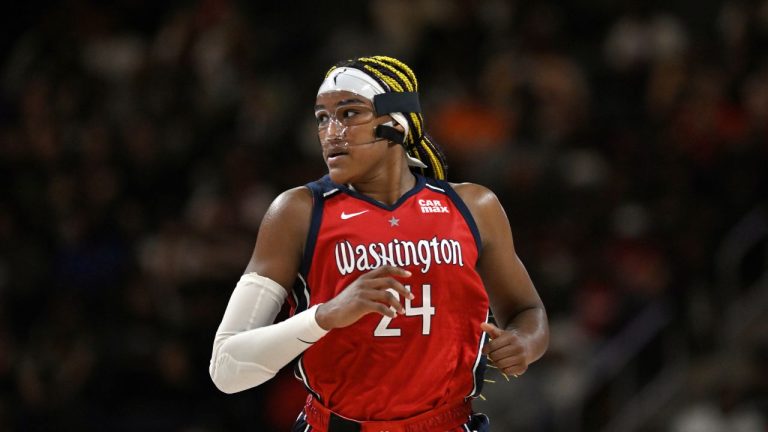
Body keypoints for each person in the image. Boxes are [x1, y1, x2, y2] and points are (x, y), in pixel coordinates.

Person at [209, 55, 549, 432]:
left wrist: (524, 343)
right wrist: (325, 315)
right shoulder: (297, 212)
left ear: (395, 123)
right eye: (322, 118)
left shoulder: (472, 206)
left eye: (349, 114)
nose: (331, 131)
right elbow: (226, 368)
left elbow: (528, 310)